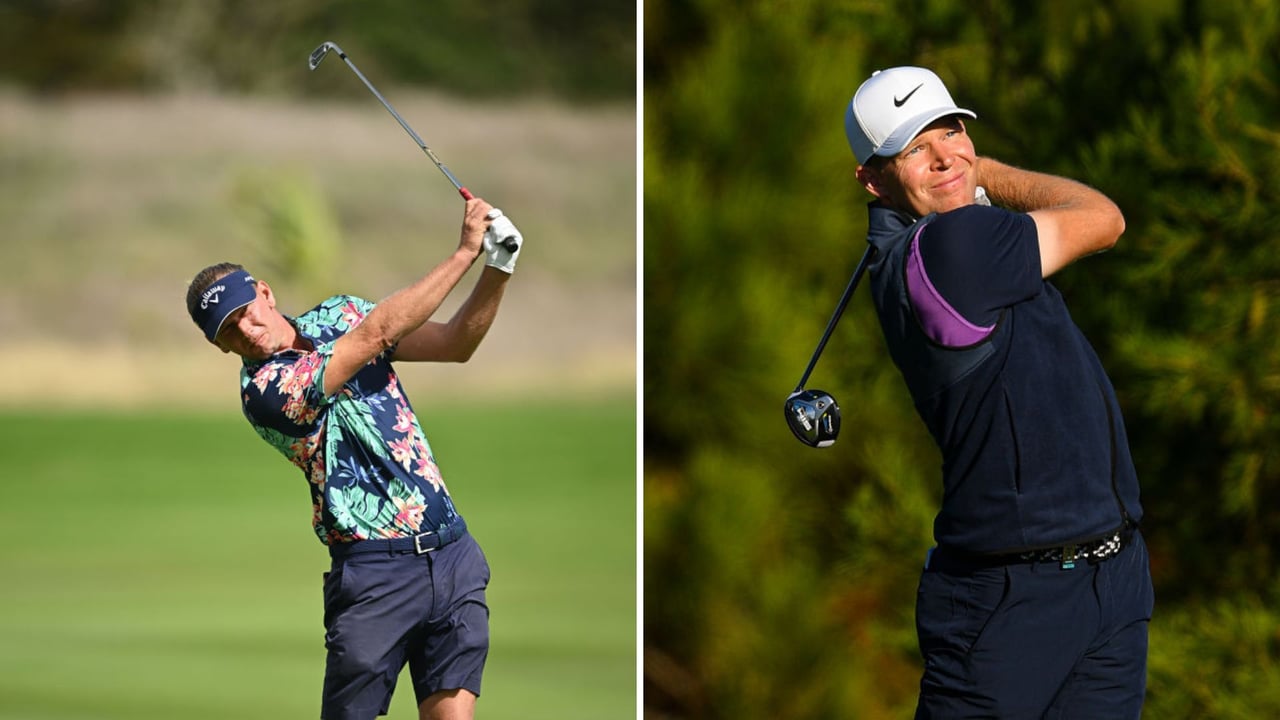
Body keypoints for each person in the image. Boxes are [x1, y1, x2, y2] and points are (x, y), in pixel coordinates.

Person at [843, 66, 1154, 718]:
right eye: (914, 148)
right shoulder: (953, 247)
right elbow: (1104, 219)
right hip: (1011, 606)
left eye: (950, 131)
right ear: (874, 180)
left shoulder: (949, 237)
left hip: (1109, 576)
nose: (944, 157)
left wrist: (964, 178)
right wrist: (984, 171)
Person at [184, 197, 522, 720]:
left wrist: (497, 267)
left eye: (245, 311)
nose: (247, 330)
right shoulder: (266, 393)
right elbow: (376, 335)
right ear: (221, 346)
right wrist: (463, 254)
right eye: (229, 330)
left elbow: (456, 343)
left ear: (265, 293)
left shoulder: (338, 313)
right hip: (374, 577)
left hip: (452, 554)